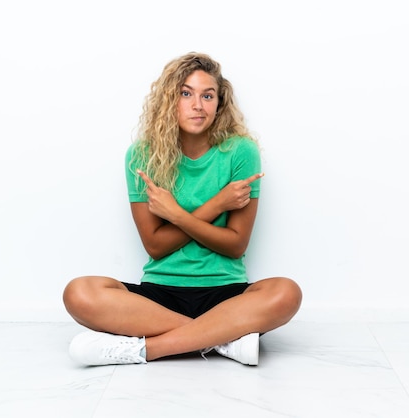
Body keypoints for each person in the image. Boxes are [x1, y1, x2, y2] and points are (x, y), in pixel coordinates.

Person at [63, 52, 302, 366]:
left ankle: (146, 350)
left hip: (226, 294)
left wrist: (175, 214)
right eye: (186, 94)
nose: (198, 105)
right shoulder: (142, 154)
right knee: (78, 292)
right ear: (168, 100)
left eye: (207, 95)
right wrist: (217, 204)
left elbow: (235, 245)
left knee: (287, 292)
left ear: (220, 103)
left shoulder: (240, 151)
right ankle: (223, 340)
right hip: (159, 296)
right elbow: (156, 246)